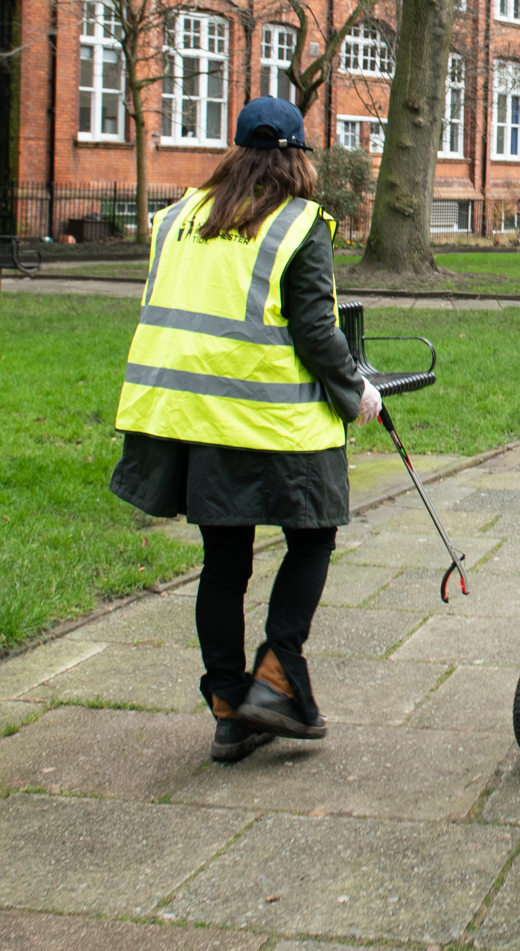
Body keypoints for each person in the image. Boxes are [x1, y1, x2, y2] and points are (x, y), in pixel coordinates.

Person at [110, 96, 383, 764]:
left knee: (224, 561)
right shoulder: (299, 224)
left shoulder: (176, 216)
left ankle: (230, 710)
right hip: (268, 418)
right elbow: (317, 330)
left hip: (187, 418)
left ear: (235, 151)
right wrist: (357, 394)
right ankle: (278, 670)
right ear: (297, 157)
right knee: (314, 533)